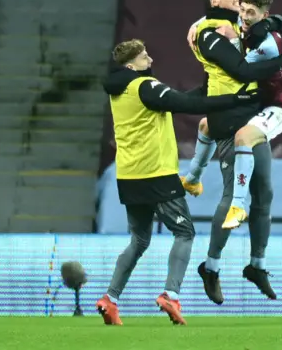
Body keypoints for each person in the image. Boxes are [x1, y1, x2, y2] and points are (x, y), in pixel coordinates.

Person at [95, 39, 260, 326]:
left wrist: (214, 88)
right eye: (144, 56)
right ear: (131, 64)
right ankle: (171, 295)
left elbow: (180, 97)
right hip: (156, 173)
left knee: (139, 240)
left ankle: (110, 299)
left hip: (129, 175)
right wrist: (236, 100)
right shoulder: (144, 85)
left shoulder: (121, 90)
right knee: (184, 232)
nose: (150, 59)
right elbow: (186, 104)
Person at [186, 0, 282, 305]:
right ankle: (212, 266)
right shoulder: (207, 33)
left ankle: (257, 265)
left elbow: (280, 22)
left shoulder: (238, 23)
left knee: (265, 193)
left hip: (251, 116)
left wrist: (268, 22)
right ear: (216, 2)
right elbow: (243, 72)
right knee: (236, 196)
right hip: (231, 118)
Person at [182, 0, 282, 227]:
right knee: (206, 124)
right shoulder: (243, 21)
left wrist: (232, 40)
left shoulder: (268, 43)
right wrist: (197, 25)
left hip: (280, 107)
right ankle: (192, 178)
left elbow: (241, 69)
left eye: (251, 13)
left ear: (264, 16)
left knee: (243, 138)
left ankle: (237, 206)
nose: (243, 16)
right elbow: (215, 16)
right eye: (242, 9)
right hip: (257, 102)